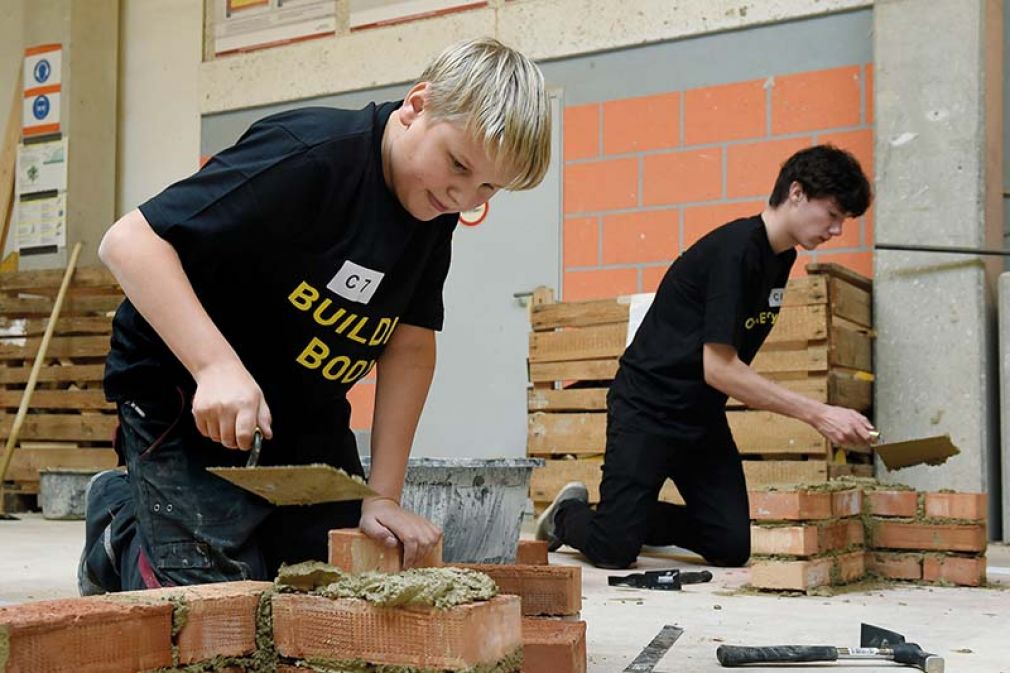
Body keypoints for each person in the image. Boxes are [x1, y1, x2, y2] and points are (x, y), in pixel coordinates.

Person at [78, 37, 551, 594]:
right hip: (185, 392)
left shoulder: (434, 206)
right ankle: (118, 522)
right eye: (458, 165)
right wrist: (214, 368)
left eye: (488, 188)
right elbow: (129, 242)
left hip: (302, 414)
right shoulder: (308, 156)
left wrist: (382, 496)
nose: (463, 196)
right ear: (417, 105)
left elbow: (410, 344)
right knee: (210, 598)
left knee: (321, 581)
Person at [535, 144, 873, 569]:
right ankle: (569, 516)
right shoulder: (734, 251)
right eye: (834, 214)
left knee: (730, 546)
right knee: (613, 552)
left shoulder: (780, 258)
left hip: (700, 418)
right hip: (648, 407)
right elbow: (719, 369)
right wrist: (819, 414)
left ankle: (627, 519)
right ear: (797, 193)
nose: (837, 230)